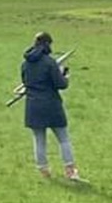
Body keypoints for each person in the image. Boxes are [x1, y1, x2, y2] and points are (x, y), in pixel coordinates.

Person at [21, 31, 79, 180]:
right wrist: (65, 76)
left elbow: (26, 83)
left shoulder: (25, 63)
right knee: (64, 138)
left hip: (33, 106)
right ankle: (70, 170)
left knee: (39, 140)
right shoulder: (50, 62)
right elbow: (60, 84)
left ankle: (43, 170)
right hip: (51, 106)